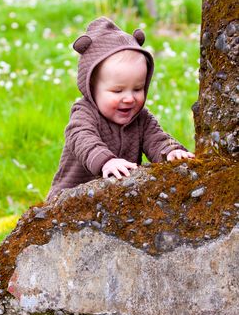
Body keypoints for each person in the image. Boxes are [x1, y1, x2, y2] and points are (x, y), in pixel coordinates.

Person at [47, 17, 194, 200]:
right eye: (117, 90)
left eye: (138, 89)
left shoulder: (141, 118)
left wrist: (171, 152)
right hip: (71, 200)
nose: (129, 98)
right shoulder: (84, 113)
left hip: (117, 199)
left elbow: (156, 139)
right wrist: (106, 161)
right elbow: (81, 137)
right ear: (91, 89)